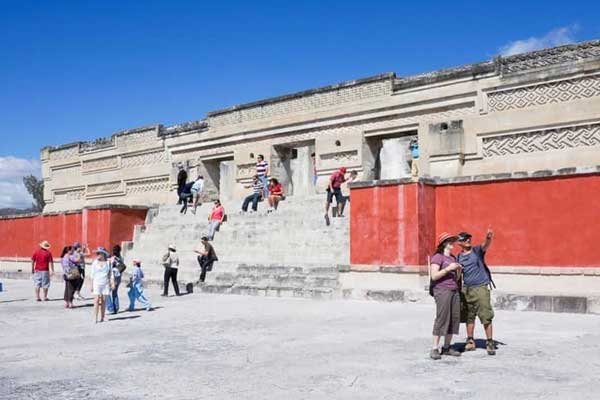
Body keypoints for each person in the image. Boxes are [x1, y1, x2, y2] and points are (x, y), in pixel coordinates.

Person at [457, 229, 497, 356]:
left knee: (486, 315)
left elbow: (485, 245)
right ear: (459, 243)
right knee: (469, 316)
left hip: (480, 288)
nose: (468, 240)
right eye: (465, 239)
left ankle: (489, 342)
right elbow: (458, 274)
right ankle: (470, 340)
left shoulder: (476, 251)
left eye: (469, 238)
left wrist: (489, 238)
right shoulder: (458, 257)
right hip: (466, 289)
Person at [429, 232, 463, 360]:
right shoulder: (438, 257)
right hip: (442, 290)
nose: (452, 243)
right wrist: (448, 269)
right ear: (444, 244)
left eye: (452, 241)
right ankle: (434, 348)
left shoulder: (453, 258)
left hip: (454, 290)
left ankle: (447, 347)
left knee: (454, 318)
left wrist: (458, 270)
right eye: (450, 241)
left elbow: (457, 277)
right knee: (442, 317)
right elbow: (434, 276)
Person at [90, 247, 114, 323]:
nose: (97, 254)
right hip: (97, 283)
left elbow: (110, 273)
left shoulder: (108, 262)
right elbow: (92, 274)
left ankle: (103, 317)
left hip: (105, 283)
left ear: (103, 254)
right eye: (97, 253)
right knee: (96, 300)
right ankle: (95, 317)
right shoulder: (95, 262)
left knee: (104, 301)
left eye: (99, 253)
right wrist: (91, 285)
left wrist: (112, 282)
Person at [106, 245, 125, 314]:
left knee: (106, 292)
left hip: (112, 278)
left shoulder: (113, 259)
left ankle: (110, 308)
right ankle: (116, 308)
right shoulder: (121, 258)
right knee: (115, 293)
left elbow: (109, 267)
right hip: (118, 278)